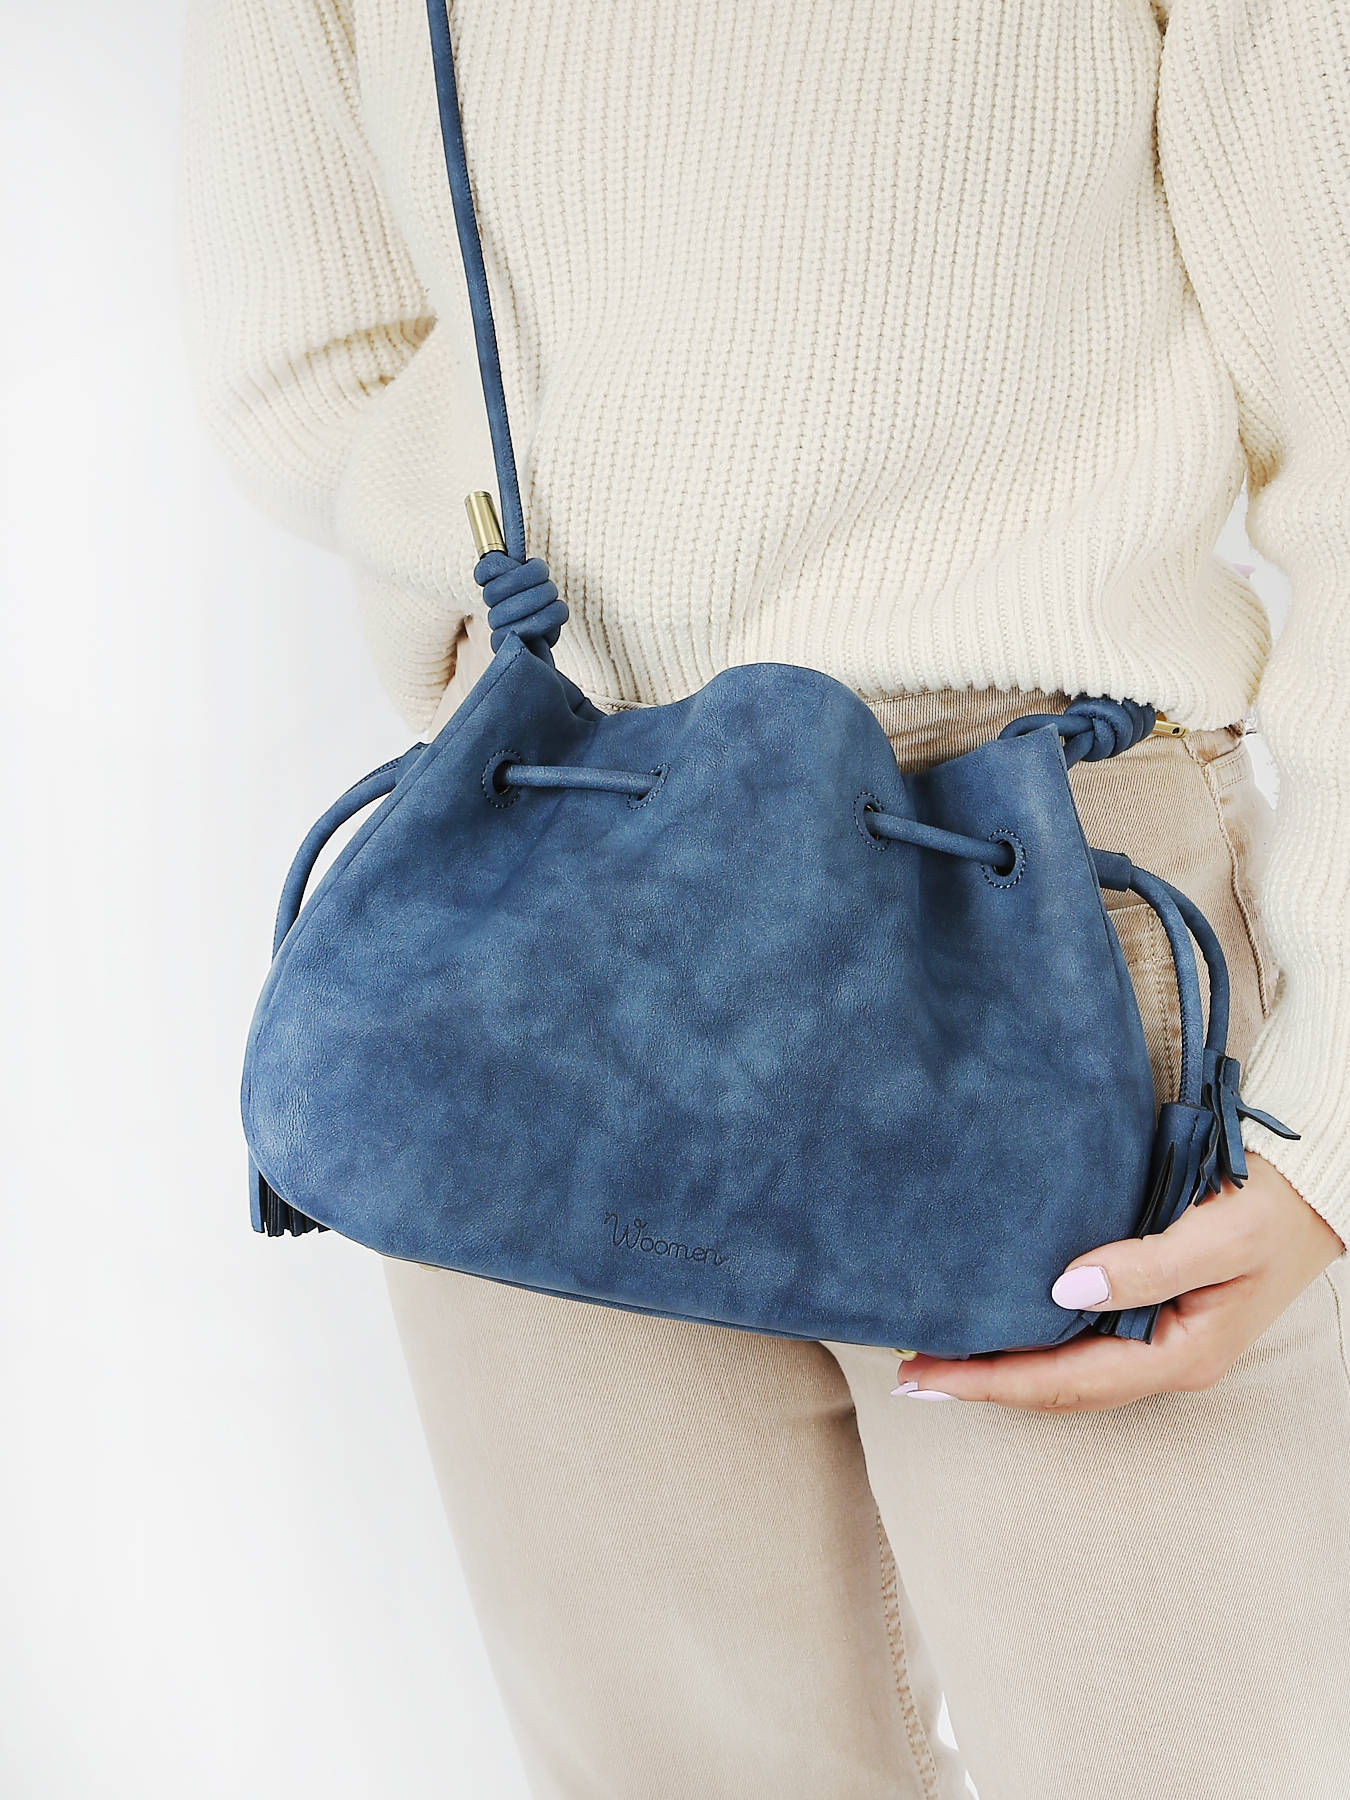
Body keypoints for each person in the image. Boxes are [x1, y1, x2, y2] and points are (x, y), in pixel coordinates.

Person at [180, 2, 1350, 1794]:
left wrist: (1329, 1125)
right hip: (721, 876)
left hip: (791, 882)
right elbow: (306, 367)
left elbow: (314, 365)